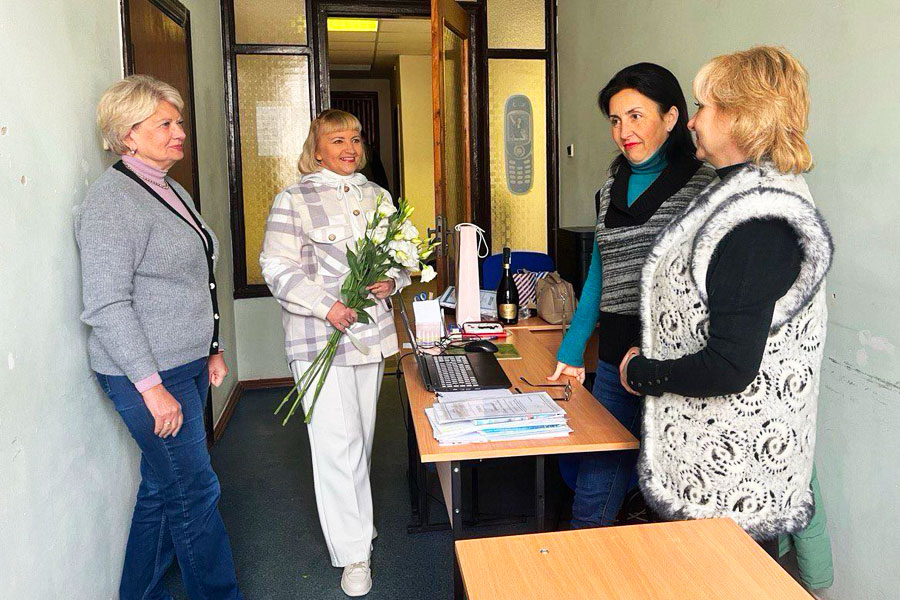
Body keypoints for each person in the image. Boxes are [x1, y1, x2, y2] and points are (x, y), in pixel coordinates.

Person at [620, 46, 833, 544]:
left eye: (703, 107)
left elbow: (730, 367)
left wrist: (640, 372)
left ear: (741, 115)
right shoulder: (739, 196)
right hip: (707, 468)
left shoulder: (759, 220)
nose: (693, 122)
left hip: (729, 486)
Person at [76, 75, 242, 599]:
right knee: (195, 490)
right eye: (165, 124)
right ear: (128, 134)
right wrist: (150, 388)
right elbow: (107, 303)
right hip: (146, 373)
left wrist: (211, 348)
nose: (180, 132)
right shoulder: (111, 201)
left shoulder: (170, 189)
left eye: (179, 122)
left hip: (185, 365)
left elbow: (195, 277)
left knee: (160, 489)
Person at [546, 64, 716, 528]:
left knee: (675, 491)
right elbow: (601, 271)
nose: (624, 132)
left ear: (671, 117)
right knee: (595, 487)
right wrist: (572, 349)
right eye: (616, 121)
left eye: (637, 116)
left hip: (677, 358)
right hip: (615, 353)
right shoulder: (610, 188)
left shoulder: (705, 186)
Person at [260, 109, 410, 597]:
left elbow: (401, 258)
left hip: (370, 337)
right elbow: (276, 267)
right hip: (316, 338)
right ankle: (353, 553)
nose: (350, 148)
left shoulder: (378, 197)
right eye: (338, 139)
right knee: (336, 446)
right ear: (317, 149)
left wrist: (393, 281)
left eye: (356, 139)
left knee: (359, 439)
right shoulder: (293, 199)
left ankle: (355, 522)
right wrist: (328, 307)